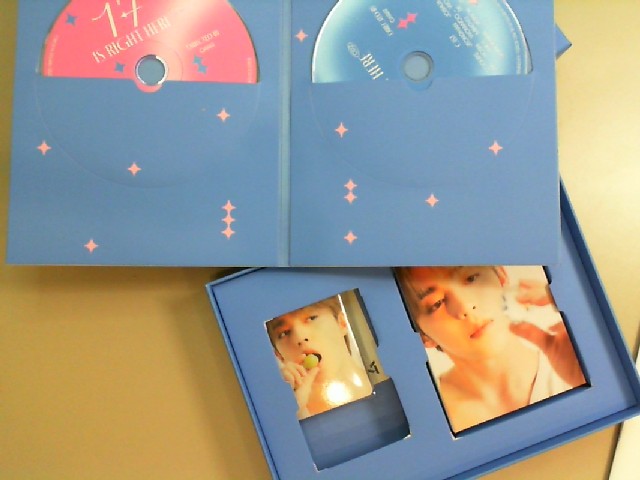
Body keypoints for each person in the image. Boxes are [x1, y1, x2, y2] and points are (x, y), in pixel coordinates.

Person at [395, 266, 586, 433]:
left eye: (471, 278)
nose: (465, 306)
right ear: (422, 336)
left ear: (500, 275)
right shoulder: (429, 421)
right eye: (436, 303)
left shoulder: (574, 362)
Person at [266, 296, 373, 420]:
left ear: (342, 323)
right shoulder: (284, 413)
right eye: (284, 333)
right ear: (279, 355)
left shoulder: (380, 380)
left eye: (312, 318)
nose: (300, 337)